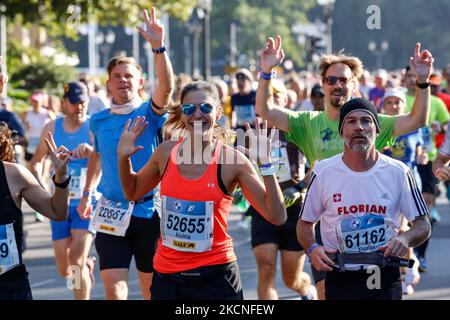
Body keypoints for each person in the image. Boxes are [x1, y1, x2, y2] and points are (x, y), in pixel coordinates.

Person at [255, 35, 433, 299]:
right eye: (331, 80)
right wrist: (266, 71)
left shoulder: (373, 120)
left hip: (378, 232)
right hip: (330, 227)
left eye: (344, 79)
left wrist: (422, 81)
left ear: (354, 84)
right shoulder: (307, 122)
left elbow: (418, 119)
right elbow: (265, 110)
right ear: (323, 85)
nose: (337, 84)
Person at [117, 81, 286, 300]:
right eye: (189, 109)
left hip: (216, 276)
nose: (197, 114)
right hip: (168, 276)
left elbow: (277, 216)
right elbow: (133, 192)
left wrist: (265, 164)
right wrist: (123, 158)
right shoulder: (165, 153)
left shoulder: (232, 161)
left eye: (205, 108)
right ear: (182, 114)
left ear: (217, 112)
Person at [77, 6, 174, 300]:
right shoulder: (98, 120)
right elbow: (98, 156)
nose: (123, 80)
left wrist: (158, 47)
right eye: (117, 76)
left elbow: (167, 89)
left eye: (128, 76)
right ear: (108, 83)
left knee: (151, 290)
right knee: (114, 289)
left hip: (148, 211)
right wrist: (86, 192)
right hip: (110, 210)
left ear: (140, 82)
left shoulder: (149, 112)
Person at [297, 98, 431, 300]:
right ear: (341, 132)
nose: (358, 127)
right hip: (338, 271)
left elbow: (423, 225)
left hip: (383, 272)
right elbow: (305, 223)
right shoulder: (323, 171)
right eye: (350, 121)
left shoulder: (399, 172)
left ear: (377, 130)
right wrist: (312, 248)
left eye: (366, 121)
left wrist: (404, 238)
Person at [30, 81, 96, 300]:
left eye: (83, 102)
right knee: (64, 269)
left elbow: (108, 161)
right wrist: (41, 187)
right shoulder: (51, 128)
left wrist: (93, 153)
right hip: (59, 204)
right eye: (75, 102)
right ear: (65, 103)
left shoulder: (93, 127)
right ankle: (87, 266)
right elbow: (37, 161)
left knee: (75, 264)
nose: (80, 107)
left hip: (86, 204)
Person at [250, 79, 316, 300]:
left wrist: (300, 186)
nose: (270, 101)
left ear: (285, 100)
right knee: (266, 268)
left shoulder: (298, 129)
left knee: (291, 279)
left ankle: (306, 290)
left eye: (275, 96)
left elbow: (319, 165)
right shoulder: (250, 130)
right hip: (263, 206)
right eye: (265, 97)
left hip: (294, 209)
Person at [0, 123, 70, 300]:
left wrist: (61, 179)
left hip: (10, 287)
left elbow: (57, 212)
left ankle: (80, 278)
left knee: (74, 263)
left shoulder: (14, 174)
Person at [404, 65, 450, 272]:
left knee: (426, 209)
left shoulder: (436, 101)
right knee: (406, 215)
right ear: (405, 80)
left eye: (417, 77)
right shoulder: (397, 99)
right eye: (410, 77)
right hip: (403, 164)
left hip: (426, 159)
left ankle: (420, 255)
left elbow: (444, 125)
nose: (413, 80)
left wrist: (436, 127)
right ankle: (409, 255)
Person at [380, 88, 425, 294]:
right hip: (385, 184)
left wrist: (422, 156)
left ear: (403, 105)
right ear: (383, 106)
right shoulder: (378, 127)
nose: (393, 106)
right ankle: (408, 265)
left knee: (401, 227)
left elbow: (420, 150)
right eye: (389, 102)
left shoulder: (413, 128)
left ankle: (408, 266)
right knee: (395, 229)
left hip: (409, 184)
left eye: (397, 102)